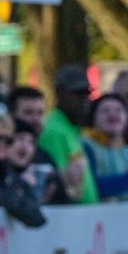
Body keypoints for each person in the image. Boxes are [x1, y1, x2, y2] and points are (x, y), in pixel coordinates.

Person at [38, 64, 99, 204]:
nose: (84, 101)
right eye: (78, 94)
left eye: (87, 94)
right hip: (71, 220)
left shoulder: (70, 129)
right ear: (60, 93)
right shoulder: (53, 131)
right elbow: (60, 186)